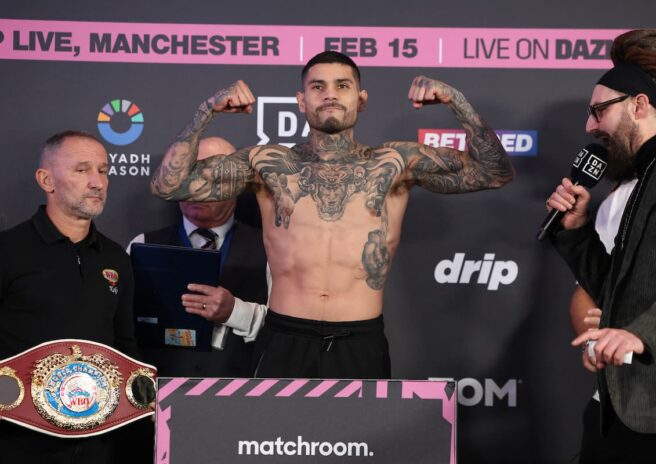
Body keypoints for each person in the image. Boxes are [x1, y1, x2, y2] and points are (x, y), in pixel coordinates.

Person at [150, 51, 514, 379]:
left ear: (361, 99)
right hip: (284, 337)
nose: (330, 94)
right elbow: (170, 186)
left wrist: (458, 102)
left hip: (359, 339)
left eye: (343, 85)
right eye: (317, 86)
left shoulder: (396, 164)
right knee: (273, 449)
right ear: (301, 100)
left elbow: (494, 174)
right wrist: (206, 111)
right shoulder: (269, 165)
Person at [546, 29, 656, 463]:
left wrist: (640, 334)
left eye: (598, 111)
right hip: (623, 411)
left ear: (639, 104)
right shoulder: (645, 175)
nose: (590, 126)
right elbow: (619, 289)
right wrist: (575, 231)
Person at [0, 131, 137, 463]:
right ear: (46, 179)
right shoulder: (7, 250)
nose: (97, 182)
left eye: (103, 171)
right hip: (17, 440)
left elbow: (125, 343)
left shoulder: (116, 257)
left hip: (98, 442)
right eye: (81, 170)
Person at [129, 136, 269, 378]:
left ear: (236, 183)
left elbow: (290, 330)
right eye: (190, 174)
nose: (196, 186)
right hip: (158, 398)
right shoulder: (141, 245)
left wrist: (235, 312)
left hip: (244, 398)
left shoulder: (270, 247)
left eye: (211, 175)